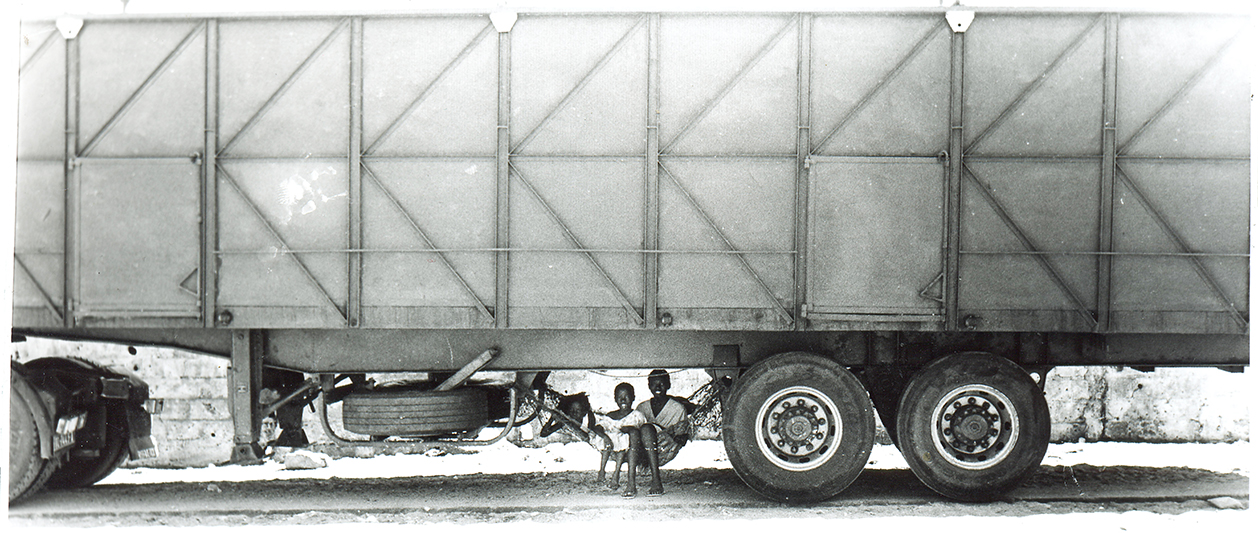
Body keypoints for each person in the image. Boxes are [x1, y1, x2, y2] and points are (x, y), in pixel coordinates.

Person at [632, 369, 694, 496]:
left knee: (646, 428)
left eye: (662, 384)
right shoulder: (642, 407)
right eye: (654, 384)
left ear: (668, 385)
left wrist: (677, 437)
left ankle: (656, 480)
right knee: (643, 429)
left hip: (663, 447)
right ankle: (631, 482)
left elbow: (681, 434)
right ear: (649, 386)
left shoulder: (677, 409)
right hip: (643, 448)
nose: (658, 387)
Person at [594, 383, 647, 497]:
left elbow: (642, 433)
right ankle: (602, 471)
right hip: (610, 445)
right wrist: (605, 437)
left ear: (633, 398)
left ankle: (617, 474)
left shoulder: (637, 415)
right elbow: (598, 428)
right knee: (611, 441)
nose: (623, 399)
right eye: (619, 397)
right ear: (615, 399)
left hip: (630, 448)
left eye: (626, 396)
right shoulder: (610, 416)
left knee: (625, 439)